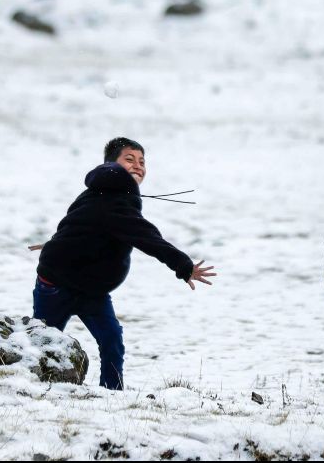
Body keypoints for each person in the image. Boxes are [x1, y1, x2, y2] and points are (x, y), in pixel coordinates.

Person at [30, 137, 216, 390]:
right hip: (56, 287)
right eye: (129, 159)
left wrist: (57, 243)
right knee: (42, 342)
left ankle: (112, 392)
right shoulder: (115, 200)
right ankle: (30, 383)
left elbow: (77, 221)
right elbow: (147, 237)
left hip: (91, 291)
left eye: (142, 161)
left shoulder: (101, 192)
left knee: (111, 339)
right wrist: (183, 265)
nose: (138, 166)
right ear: (112, 165)